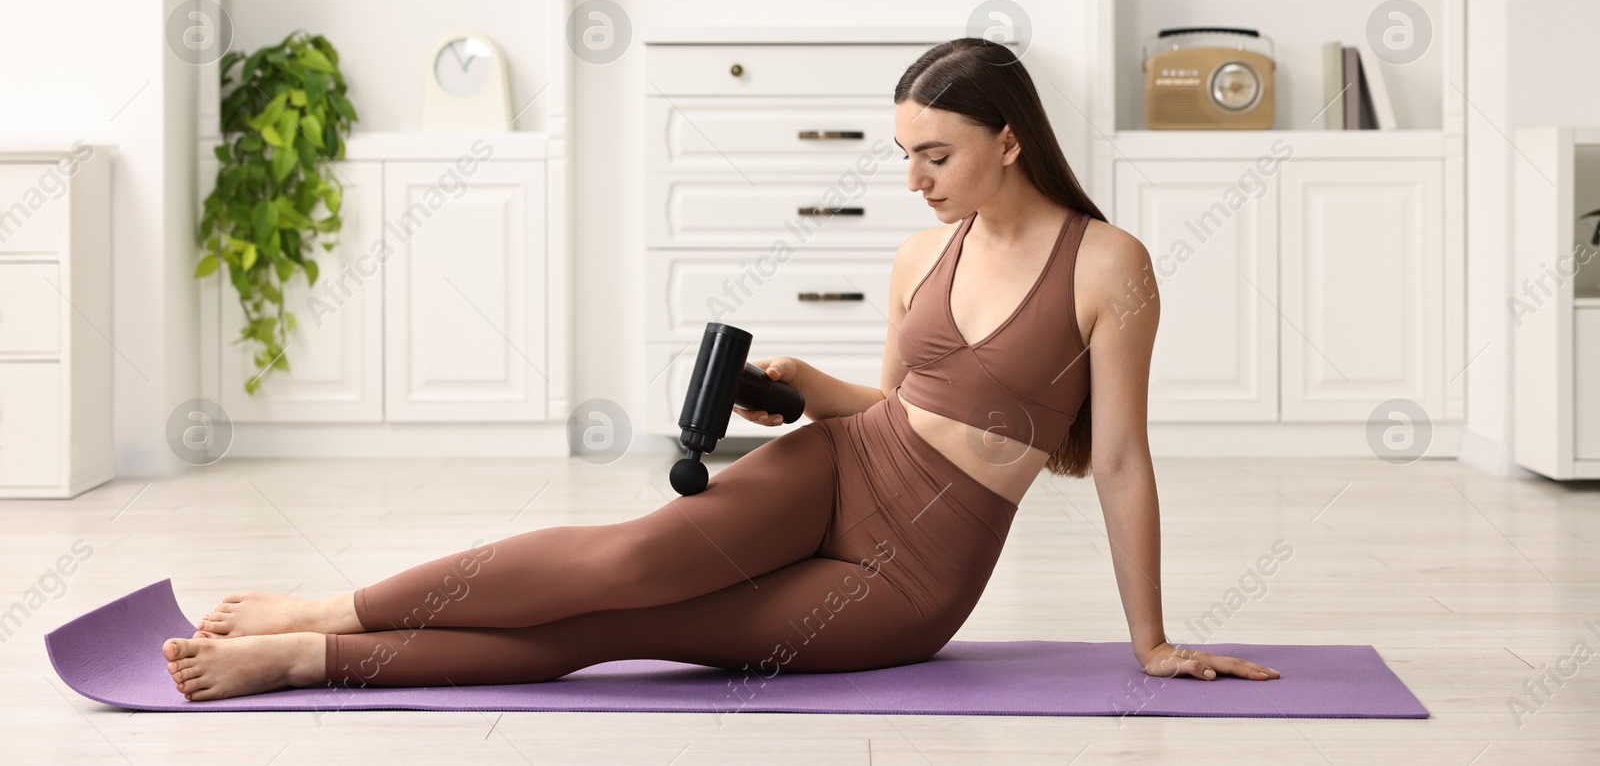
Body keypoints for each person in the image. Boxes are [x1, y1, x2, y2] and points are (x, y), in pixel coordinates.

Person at [162, 37, 1280, 701]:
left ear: (1009, 140)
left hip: (913, 573)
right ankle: (332, 605)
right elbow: (894, 408)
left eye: (935, 155)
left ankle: (309, 658)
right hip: (841, 462)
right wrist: (799, 386)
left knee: (621, 630)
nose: (916, 180)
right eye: (903, 155)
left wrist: (1151, 637)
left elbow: (1123, 458)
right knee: (624, 557)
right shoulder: (916, 253)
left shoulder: (1109, 265)